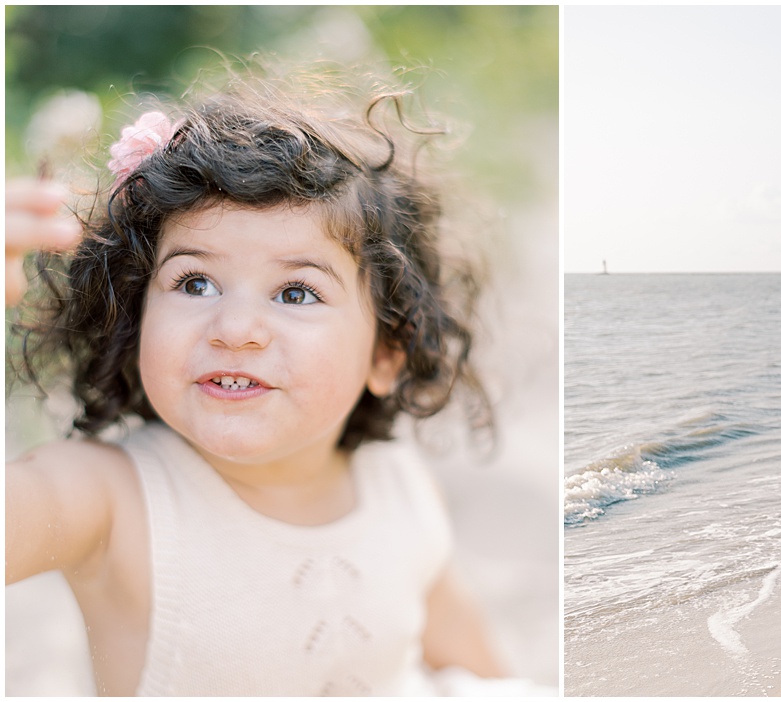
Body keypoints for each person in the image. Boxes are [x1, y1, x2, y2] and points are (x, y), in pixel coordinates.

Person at [6, 74, 511, 695]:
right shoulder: (104, 499)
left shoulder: (401, 489)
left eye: (296, 292)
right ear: (136, 316)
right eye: (195, 283)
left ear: (387, 353)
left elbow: (480, 672)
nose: (236, 328)